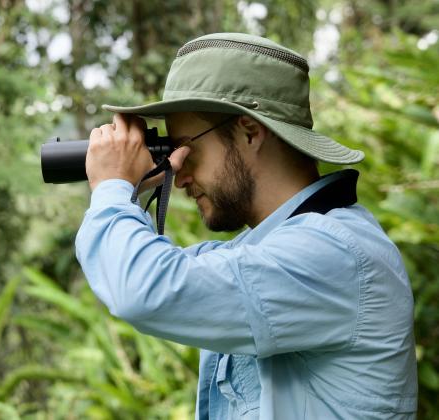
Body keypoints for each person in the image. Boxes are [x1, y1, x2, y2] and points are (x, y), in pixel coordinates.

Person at [76, 32, 417, 419]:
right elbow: (157, 273)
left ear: (250, 132)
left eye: (188, 149)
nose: (180, 173)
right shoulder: (266, 249)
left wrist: (113, 186)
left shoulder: (334, 254)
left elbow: (142, 288)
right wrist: (132, 182)